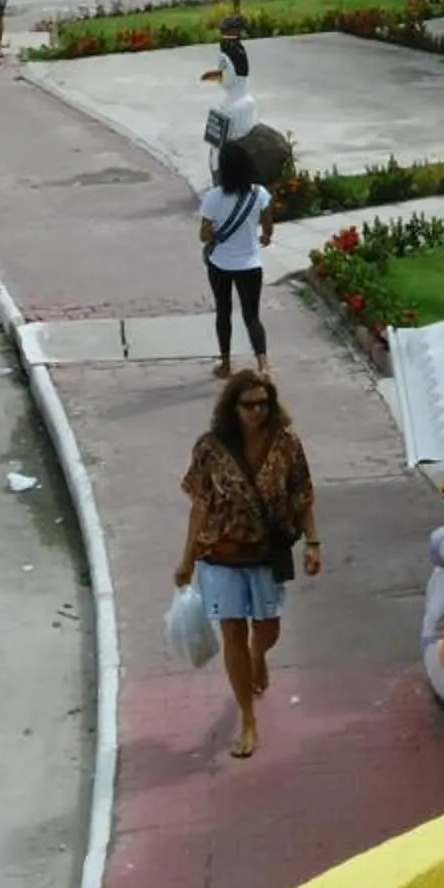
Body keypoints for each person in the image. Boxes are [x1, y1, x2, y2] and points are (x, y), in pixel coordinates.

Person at [173, 369, 320, 759]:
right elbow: (200, 505)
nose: (257, 411)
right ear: (232, 408)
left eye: (263, 404)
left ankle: (259, 658)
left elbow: (302, 493)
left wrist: (312, 541)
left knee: (268, 630)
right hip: (219, 554)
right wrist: (187, 559)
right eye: (249, 404)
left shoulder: (286, 444)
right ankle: (248, 719)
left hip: (266, 554)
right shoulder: (210, 448)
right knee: (233, 633)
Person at [197, 138, 276, 379]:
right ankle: (263, 365)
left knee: (223, 312)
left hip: (220, 264)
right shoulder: (259, 194)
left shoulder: (213, 197)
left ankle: (226, 364)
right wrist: (264, 237)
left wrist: (215, 232)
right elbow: (268, 227)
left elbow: (203, 235)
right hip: (251, 264)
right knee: (252, 316)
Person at [200, 15, 258, 154]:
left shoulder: (235, 108)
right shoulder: (245, 102)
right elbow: (228, 74)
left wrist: (218, 74)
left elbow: (228, 76)